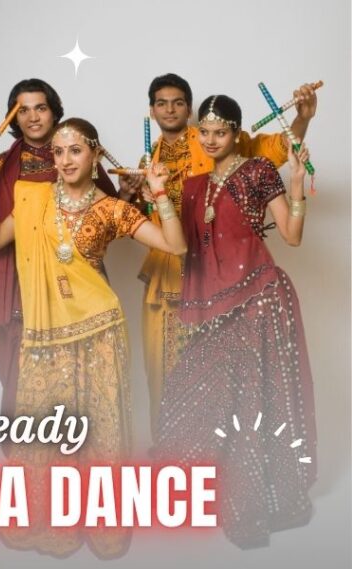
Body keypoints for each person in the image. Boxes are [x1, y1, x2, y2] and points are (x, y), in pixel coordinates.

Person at [0, 118, 186, 559]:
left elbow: (174, 246)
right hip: (46, 333)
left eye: (74, 151)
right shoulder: (31, 196)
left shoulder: (112, 209)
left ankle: (97, 521)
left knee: (99, 426)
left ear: (95, 155)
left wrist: (159, 190)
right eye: (58, 152)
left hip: (99, 327)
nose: (64, 160)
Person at [155, 95, 316, 549]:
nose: (210, 140)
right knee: (195, 396)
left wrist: (298, 185)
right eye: (203, 132)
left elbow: (293, 236)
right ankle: (213, 494)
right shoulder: (193, 184)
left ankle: (253, 501)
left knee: (249, 402)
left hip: (259, 301)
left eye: (219, 133)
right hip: (213, 307)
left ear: (237, 132)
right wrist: (153, 193)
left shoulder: (259, 172)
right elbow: (180, 246)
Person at [120, 73, 317, 434]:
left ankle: (247, 476)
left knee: (249, 390)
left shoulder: (249, 166)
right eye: (161, 103)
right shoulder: (164, 169)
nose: (210, 140)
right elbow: (166, 236)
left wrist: (298, 173)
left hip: (247, 293)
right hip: (186, 288)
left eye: (178, 102)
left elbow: (277, 155)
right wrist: (147, 196)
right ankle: (181, 459)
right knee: (186, 382)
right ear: (151, 110)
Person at [0, 79, 117, 420]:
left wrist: (139, 195)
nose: (33, 117)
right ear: (13, 119)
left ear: (55, 111)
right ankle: (27, 462)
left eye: (41, 108)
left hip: (74, 277)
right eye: (24, 110)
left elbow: (111, 210)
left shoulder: (77, 154)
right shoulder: (0, 165)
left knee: (80, 368)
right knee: (18, 375)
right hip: (20, 279)